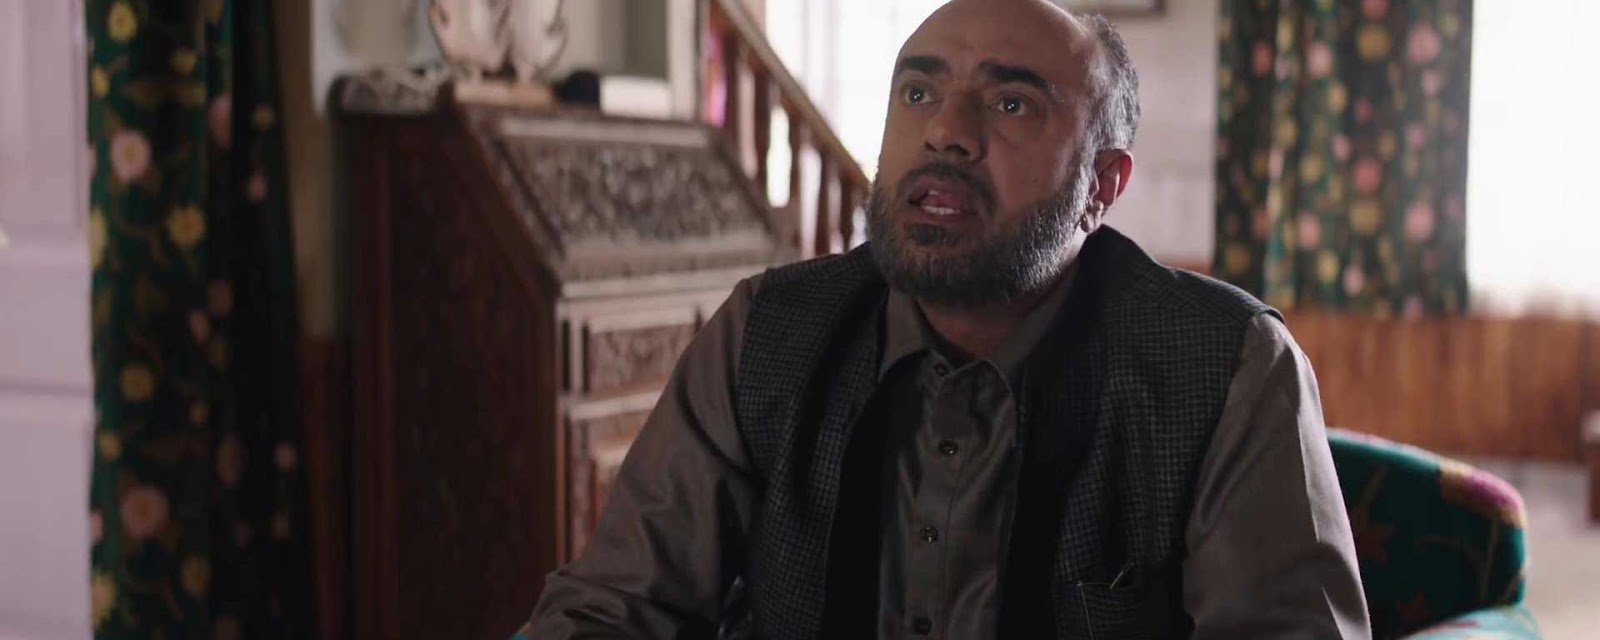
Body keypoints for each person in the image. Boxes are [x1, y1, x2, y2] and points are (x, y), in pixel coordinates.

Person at [524, 0, 1369, 637]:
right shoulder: (768, 331)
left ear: (1101, 187)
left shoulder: (1224, 367)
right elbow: (612, 608)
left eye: (1011, 105)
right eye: (919, 91)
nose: (946, 133)